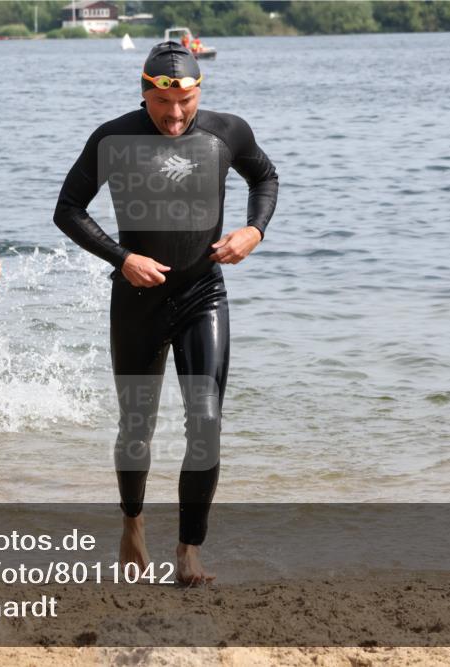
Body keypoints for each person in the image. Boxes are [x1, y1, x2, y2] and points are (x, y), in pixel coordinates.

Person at [53, 42, 278, 584]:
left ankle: (189, 550)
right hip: (136, 299)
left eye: (187, 103)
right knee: (137, 426)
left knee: (205, 422)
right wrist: (122, 257)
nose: (175, 116)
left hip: (204, 293)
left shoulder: (229, 132)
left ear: (200, 91)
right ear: (144, 92)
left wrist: (253, 230)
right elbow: (67, 209)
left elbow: (265, 178)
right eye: (162, 104)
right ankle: (132, 523)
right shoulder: (114, 138)